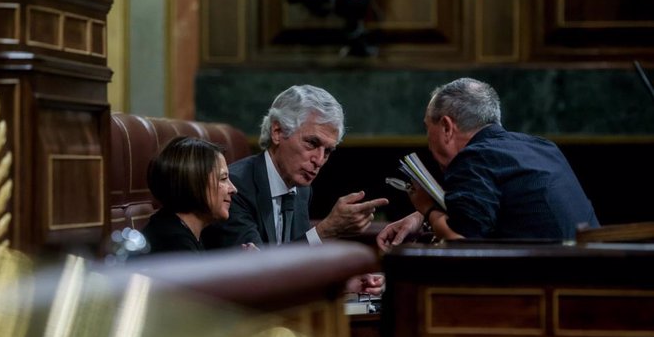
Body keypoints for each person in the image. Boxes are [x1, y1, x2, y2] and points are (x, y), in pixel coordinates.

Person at [377, 77, 600, 249]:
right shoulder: (542, 146)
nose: (427, 141)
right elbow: (487, 212)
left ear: (446, 127)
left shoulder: (474, 158)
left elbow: (461, 242)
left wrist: (426, 208)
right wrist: (421, 219)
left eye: (427, 127)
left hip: (546, 287)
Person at [202, 84, 389, 249]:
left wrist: (345, 280)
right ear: (277, 132)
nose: (319, 160)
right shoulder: (234, 188)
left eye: (328, 151)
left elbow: (296, 261)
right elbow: (257, 271)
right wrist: (325, 231)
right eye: (312, 143)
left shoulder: (301, 191)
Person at [141, 135, 249, 253]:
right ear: (194, 183)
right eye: (223, 179)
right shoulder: (173, 245)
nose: (233, 189)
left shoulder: (191, 233)